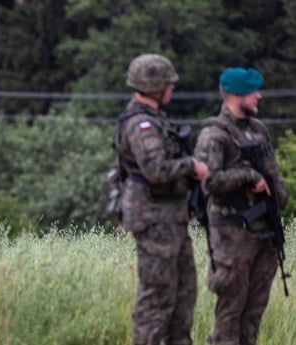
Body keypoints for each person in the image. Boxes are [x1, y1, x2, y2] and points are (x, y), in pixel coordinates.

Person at [115, 53, 209, 345]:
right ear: (155, 86)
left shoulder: (154, 118)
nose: (172, 88)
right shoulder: (141, 124)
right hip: (154, 219)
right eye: (168, 83)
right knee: (157, 300)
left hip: (170, 218)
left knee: (183, 294)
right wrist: (191, 166)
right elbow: (155, 169)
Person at [194, 67, 289, 345]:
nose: (259, 96)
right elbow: (208, 181)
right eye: (253, 92)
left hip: (264, 232)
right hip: (232, 234)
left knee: (253, 312)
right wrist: (248, 176)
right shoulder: (214, 134)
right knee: (230, 313)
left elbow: (272, 173)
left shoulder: (258, 130)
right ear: (235, 95)